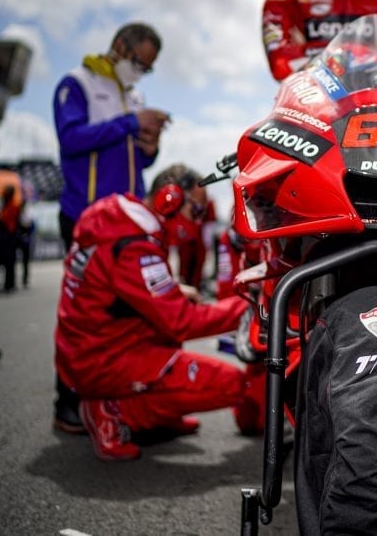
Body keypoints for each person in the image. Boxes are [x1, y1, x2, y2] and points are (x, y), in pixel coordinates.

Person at [54, 165, 250, 461]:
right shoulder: (136, 245)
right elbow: (180, 322)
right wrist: (252, 307)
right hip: (102, 360)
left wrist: (175, 289)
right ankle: (113, 412)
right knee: (233, 384)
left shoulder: (115, 218)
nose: (198, 223)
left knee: (173, 311)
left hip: (87, 348)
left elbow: (111, 284)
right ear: (168, 199)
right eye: (196, 211)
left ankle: (157, 415)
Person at [51, 21, 170, 432]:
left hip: (128, 222)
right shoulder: (76, 82)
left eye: (148, 68)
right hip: (86, 218)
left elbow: (135, 158)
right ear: (120, 46)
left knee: (128, 315)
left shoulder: (134, 94)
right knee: (85, 315)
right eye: (140, 62)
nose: (141, 72)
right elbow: (71, 141)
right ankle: (67, 402)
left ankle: (119, 402)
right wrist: (132, 123)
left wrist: (150, 146)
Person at [0, 185, 21, 293]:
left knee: (9, 262)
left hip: (9, 236)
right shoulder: (2, 205)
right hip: (2, 236)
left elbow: (7, 219)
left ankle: (9, 284)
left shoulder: (14, 206)